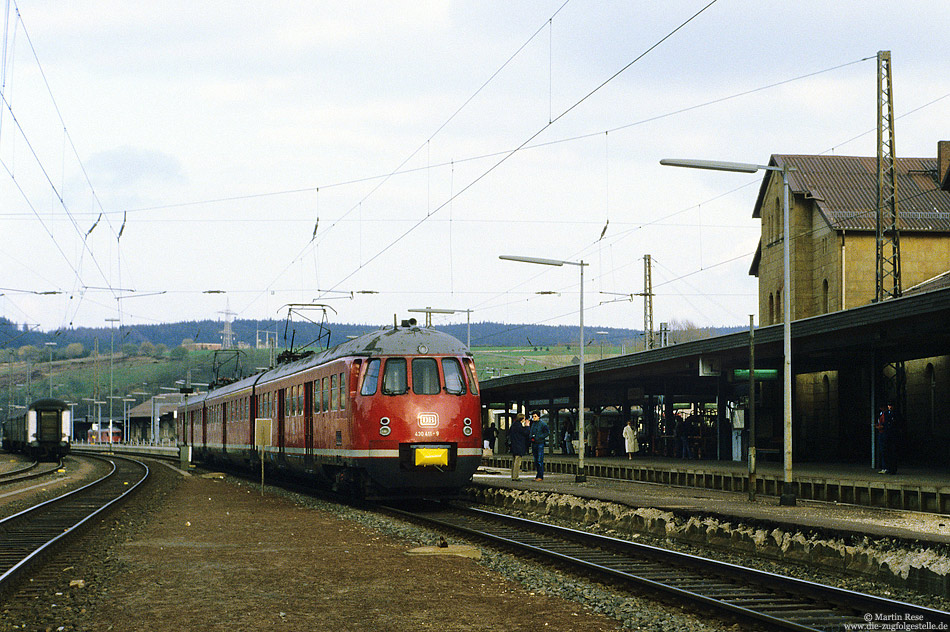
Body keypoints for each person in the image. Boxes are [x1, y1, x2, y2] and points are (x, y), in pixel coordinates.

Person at [877, 403, 899, 475]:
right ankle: (886, 467)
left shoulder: (890, 414)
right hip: (883, 433)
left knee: (888, 451)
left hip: (887, 434)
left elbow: (890, 424)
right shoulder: (883, 414)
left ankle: (889, 468)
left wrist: (883, 426)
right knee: (884, 451)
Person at [528, 411, 549, 481]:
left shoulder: (543, 424)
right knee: (536, 460)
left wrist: (539, 437)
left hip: (540, 443)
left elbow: (547, 432)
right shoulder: (533, 424)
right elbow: (531, 432)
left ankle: (540, 476)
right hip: (534, 443)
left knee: (540, 460)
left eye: (535, 416)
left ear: (539, 417)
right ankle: (538, 475)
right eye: (533, 416)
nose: (533, 418)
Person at [509, 414, 530, 481]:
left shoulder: (513, 425)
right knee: (517, 462)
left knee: (514, 461)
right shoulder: (518, 426)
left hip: (514, 445)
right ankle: (515, 477)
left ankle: (513, 475)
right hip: (519, 445)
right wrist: (527, 425)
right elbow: (526, 433)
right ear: (522, 419)